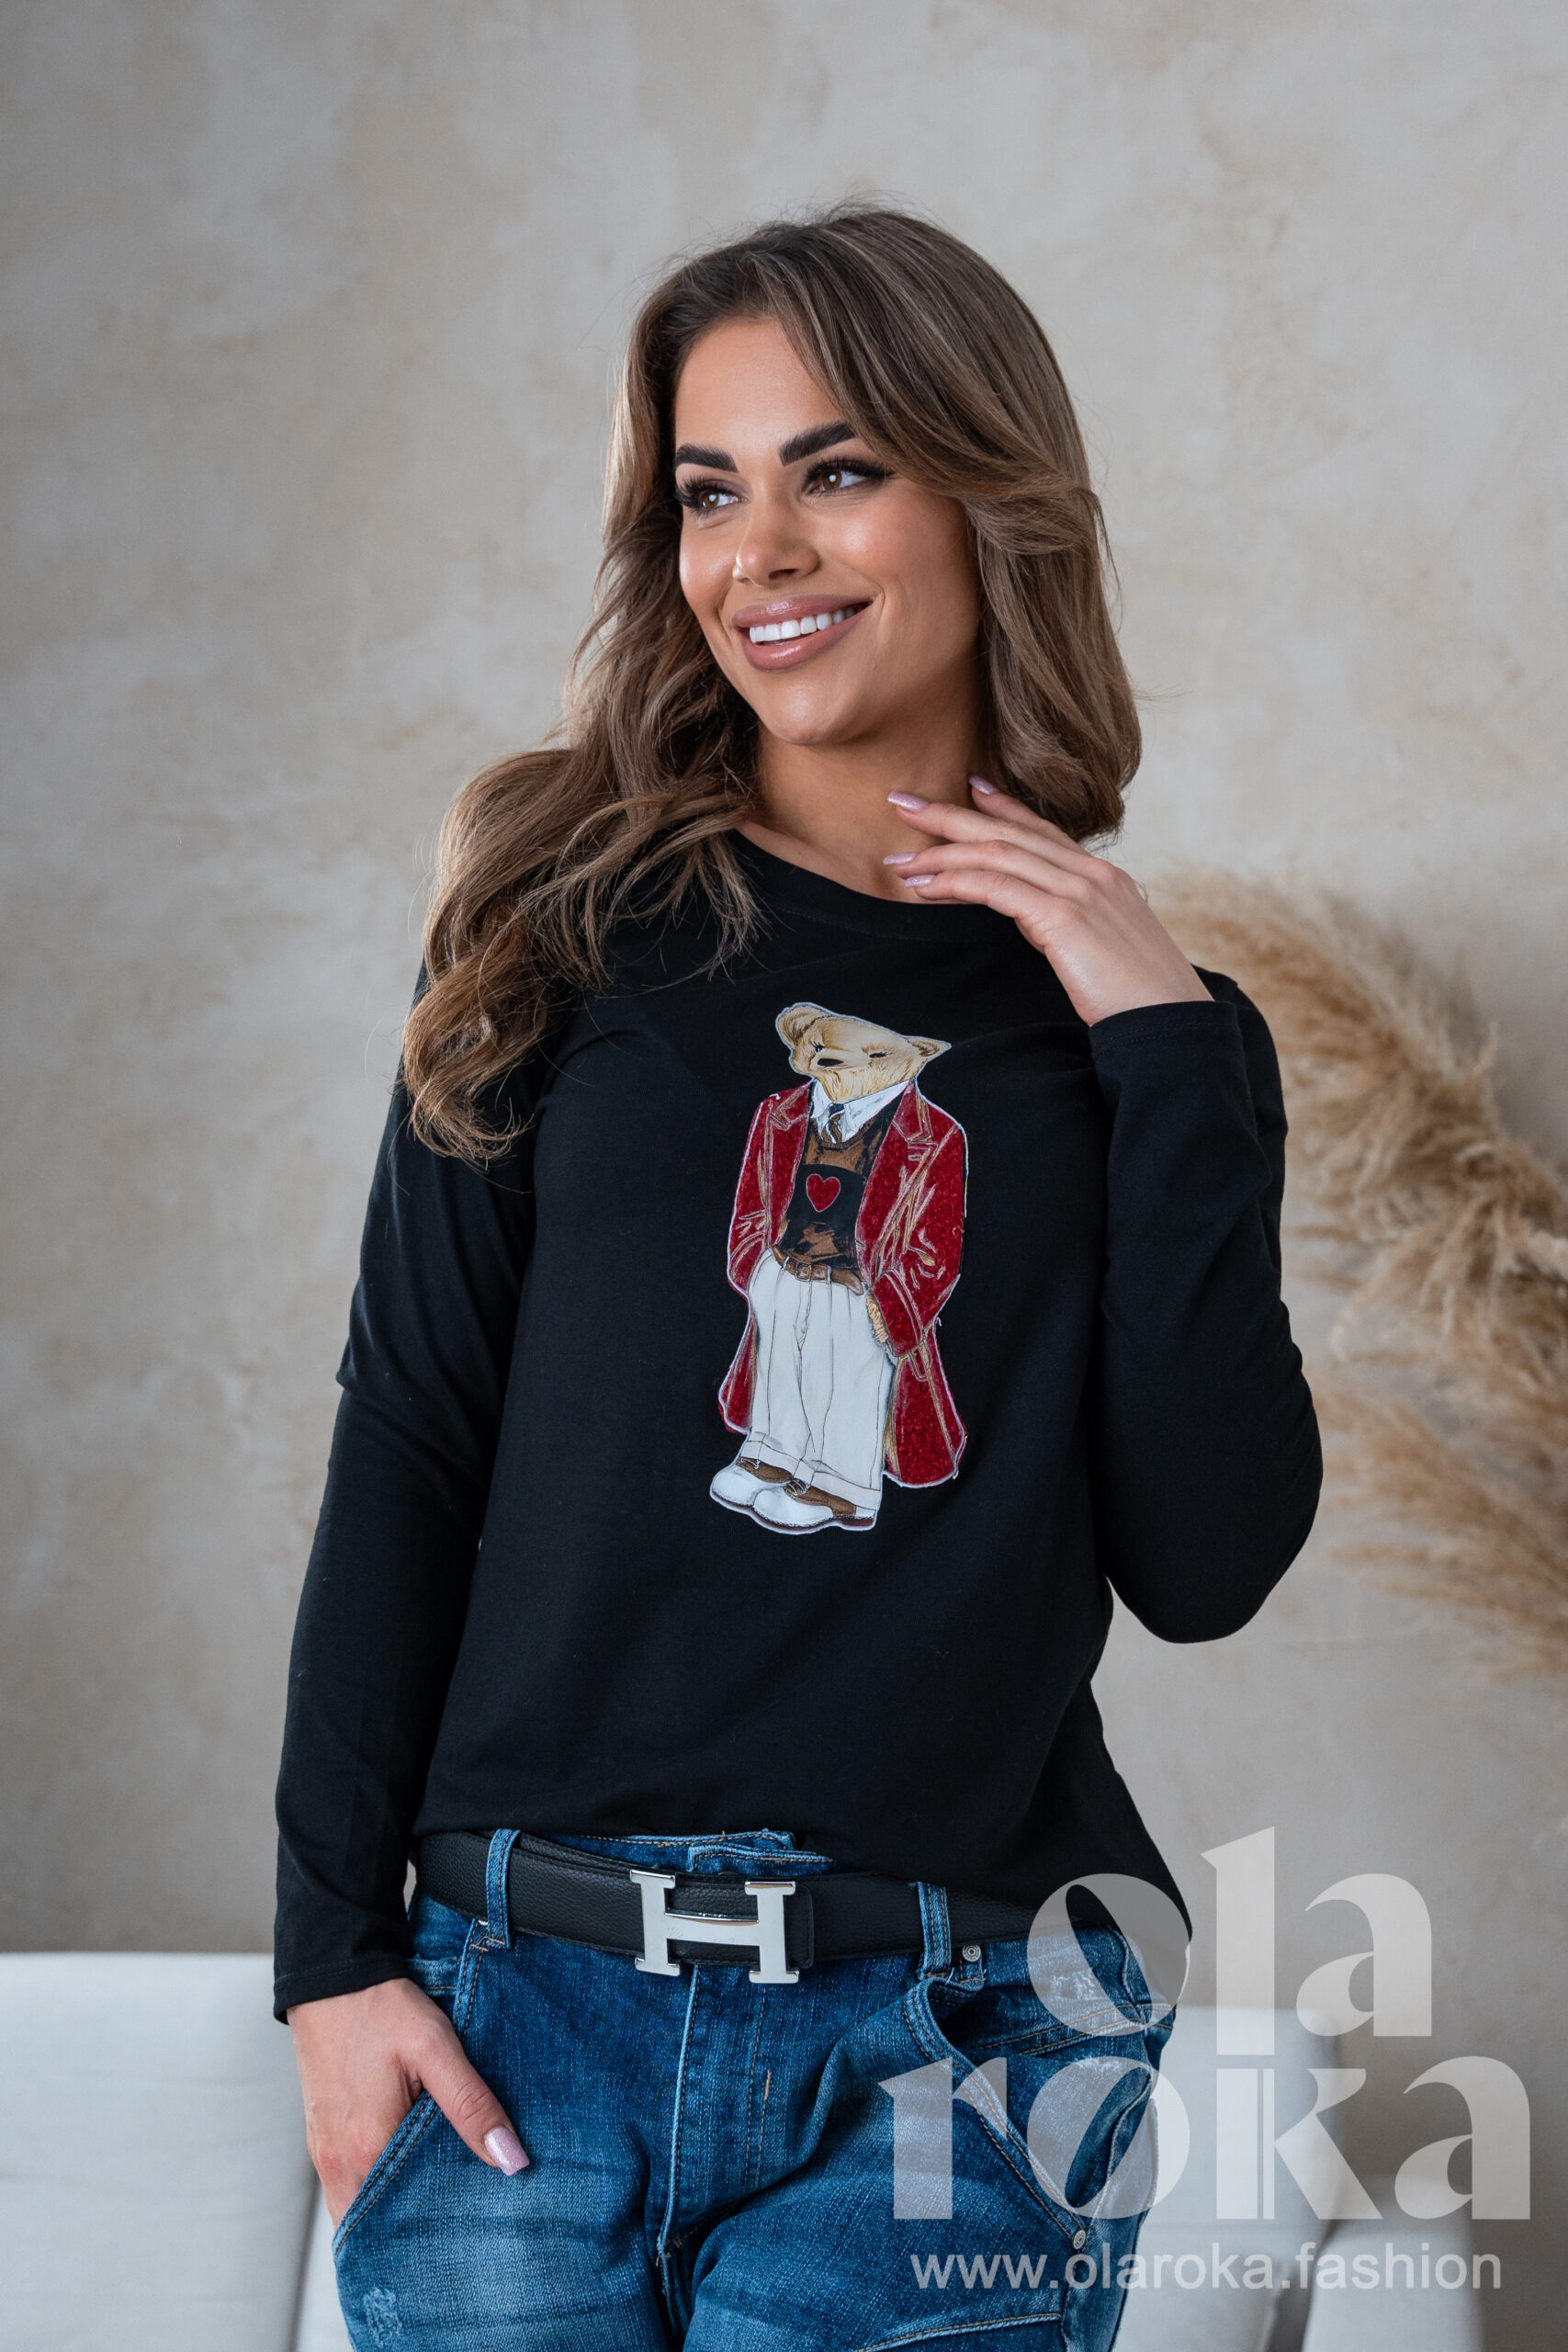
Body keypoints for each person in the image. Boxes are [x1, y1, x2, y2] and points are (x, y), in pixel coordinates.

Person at [275, 205, 1321, 2351]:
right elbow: (409, 1442)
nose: (757, 550)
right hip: (519, 2016)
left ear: (986, 495)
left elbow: (1205, 1559)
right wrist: (328, 1957)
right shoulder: (554, 934)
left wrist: (1158, 1049)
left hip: (968, 2034)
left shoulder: (1149, 1036)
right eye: (706, 489)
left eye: (833, 469)